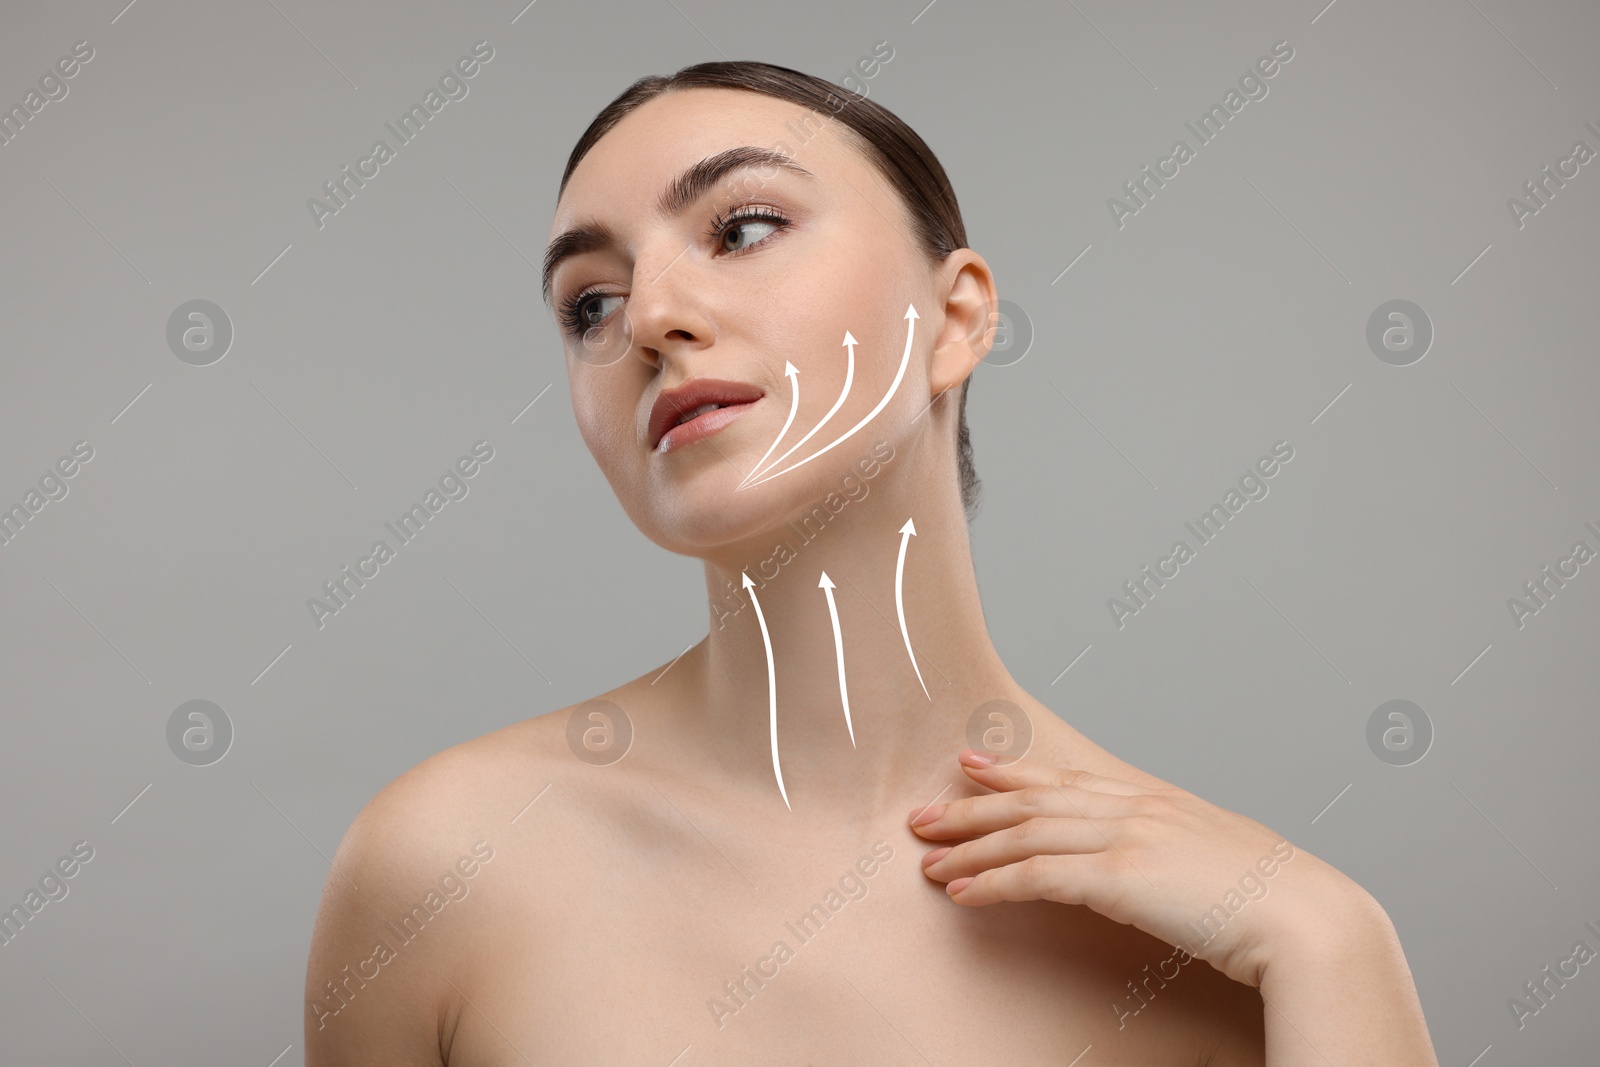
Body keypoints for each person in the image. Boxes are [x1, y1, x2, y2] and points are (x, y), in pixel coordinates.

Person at [305, 60, 1439, 1065]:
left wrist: (1337, 945)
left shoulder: (1221, 946)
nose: (648, 315)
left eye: (741, 227)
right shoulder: (440, 868)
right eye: (587, 303)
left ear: (954, 318)